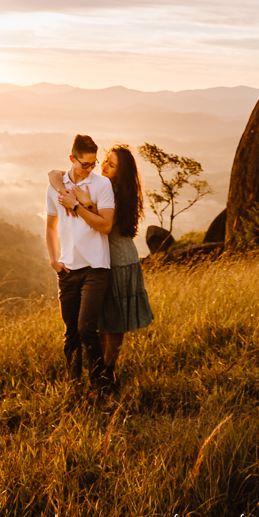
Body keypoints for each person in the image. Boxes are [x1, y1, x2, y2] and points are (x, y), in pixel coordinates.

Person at [49, 143, 153, 388]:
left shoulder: (116, 192)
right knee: (103, 317)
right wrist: (63, 188)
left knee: (114, 319)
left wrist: (83, 204)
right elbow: (53, 174)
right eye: (105, 160)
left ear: (122, 172)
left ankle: (109, 369)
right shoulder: (103, 186)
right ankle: (103, 369)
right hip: (104, 259)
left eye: (112, 165)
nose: (104, 166)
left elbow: (104, 223)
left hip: (119, 260)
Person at [45, 134, 114, 389]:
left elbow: (105, 226)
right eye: (84, 164)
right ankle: (73, 386)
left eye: (93, 164)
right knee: (70, 334)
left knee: (87, 328)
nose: (89, 169)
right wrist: (54, 260)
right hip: (67, 269)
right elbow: (51, 226)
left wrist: (77, 206)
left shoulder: (101, 185)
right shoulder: (56, 186)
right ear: (72, 159)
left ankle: (101, 385)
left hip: (96, 267)